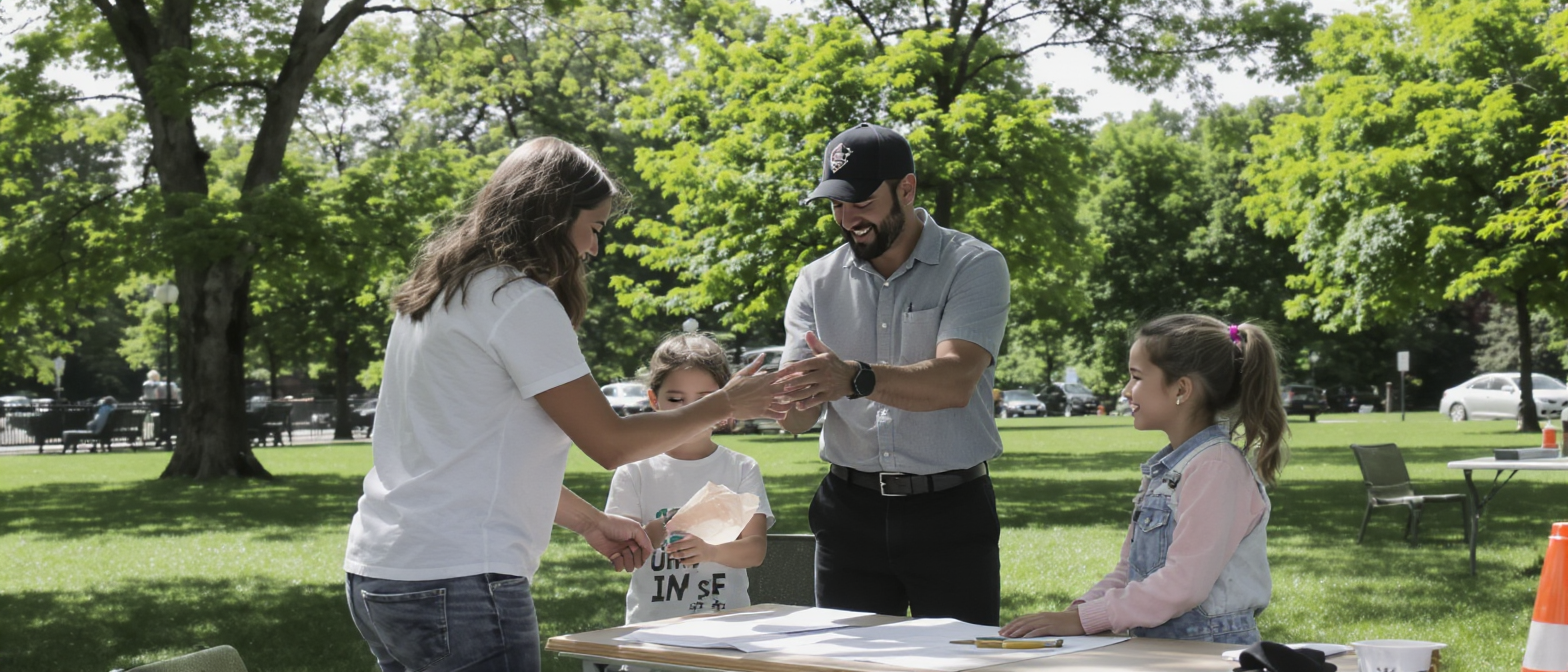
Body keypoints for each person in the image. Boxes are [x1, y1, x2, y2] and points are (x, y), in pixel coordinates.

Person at [342, 137, 789, 672]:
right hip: (459, 582)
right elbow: (611, 443)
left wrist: (589, 522)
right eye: (595, 227)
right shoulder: (518, 299)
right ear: (553, 215)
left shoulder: (438, 291)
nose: (595, 248)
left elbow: (472, 460)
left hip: (381, 573)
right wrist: (724, 402)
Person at [773, 122, 1011, 626]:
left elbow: (954, 381)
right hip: (847, 514)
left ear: (907, 188)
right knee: (846, 666)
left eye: (861, 200)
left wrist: (856, 378)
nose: (847, 218)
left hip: (950, 512)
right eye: (836, 203)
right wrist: (771, 397)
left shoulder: (974, 265)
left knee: (958, 668)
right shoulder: (816, 281)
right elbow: (795, 419)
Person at [1000, 315, 1286, 645]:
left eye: (1136, 377)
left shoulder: (1215, 468)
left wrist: (1082, 620)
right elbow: (1129, 573)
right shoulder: (1169, 471)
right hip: (1160, 649)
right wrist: (1077, 612)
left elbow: (1184, 584)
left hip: (1207, 653)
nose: (1125, 391)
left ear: (1181, 389)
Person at [607, 332, 773, 625]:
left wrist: (710, 551)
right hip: (652, 635)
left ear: (726, 402)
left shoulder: (741, 468)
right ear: (654, 400)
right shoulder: (634, 470)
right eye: (676, 399)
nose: (691, 410)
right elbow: (623, 554)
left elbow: (755, 549)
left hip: (726, 631)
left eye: (705, 400)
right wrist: (666, 526)